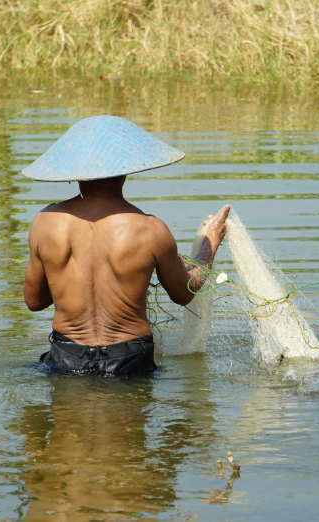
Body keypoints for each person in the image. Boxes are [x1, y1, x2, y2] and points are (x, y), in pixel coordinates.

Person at [22, 115, 230, 374]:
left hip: (67, 357)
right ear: (127, 170)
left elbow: (34, 301)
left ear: (75, 172)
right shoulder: (150, 229)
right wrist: (209, 244)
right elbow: (185, 293)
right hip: (130, 361)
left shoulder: (45, 223)